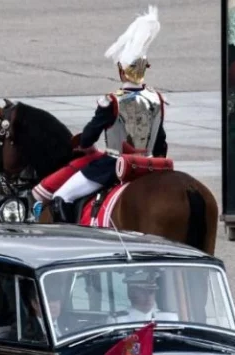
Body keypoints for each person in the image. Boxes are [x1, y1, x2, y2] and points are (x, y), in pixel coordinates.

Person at [39, 6, 169, 223]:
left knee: (62, 196)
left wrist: (85, 141)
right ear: (144, 68)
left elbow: (90, 136)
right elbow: (161, 142)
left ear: (121, 70)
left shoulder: (112, 100)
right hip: (148, 164)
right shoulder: (157, 99)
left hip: (113, 166)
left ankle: (72, 236)